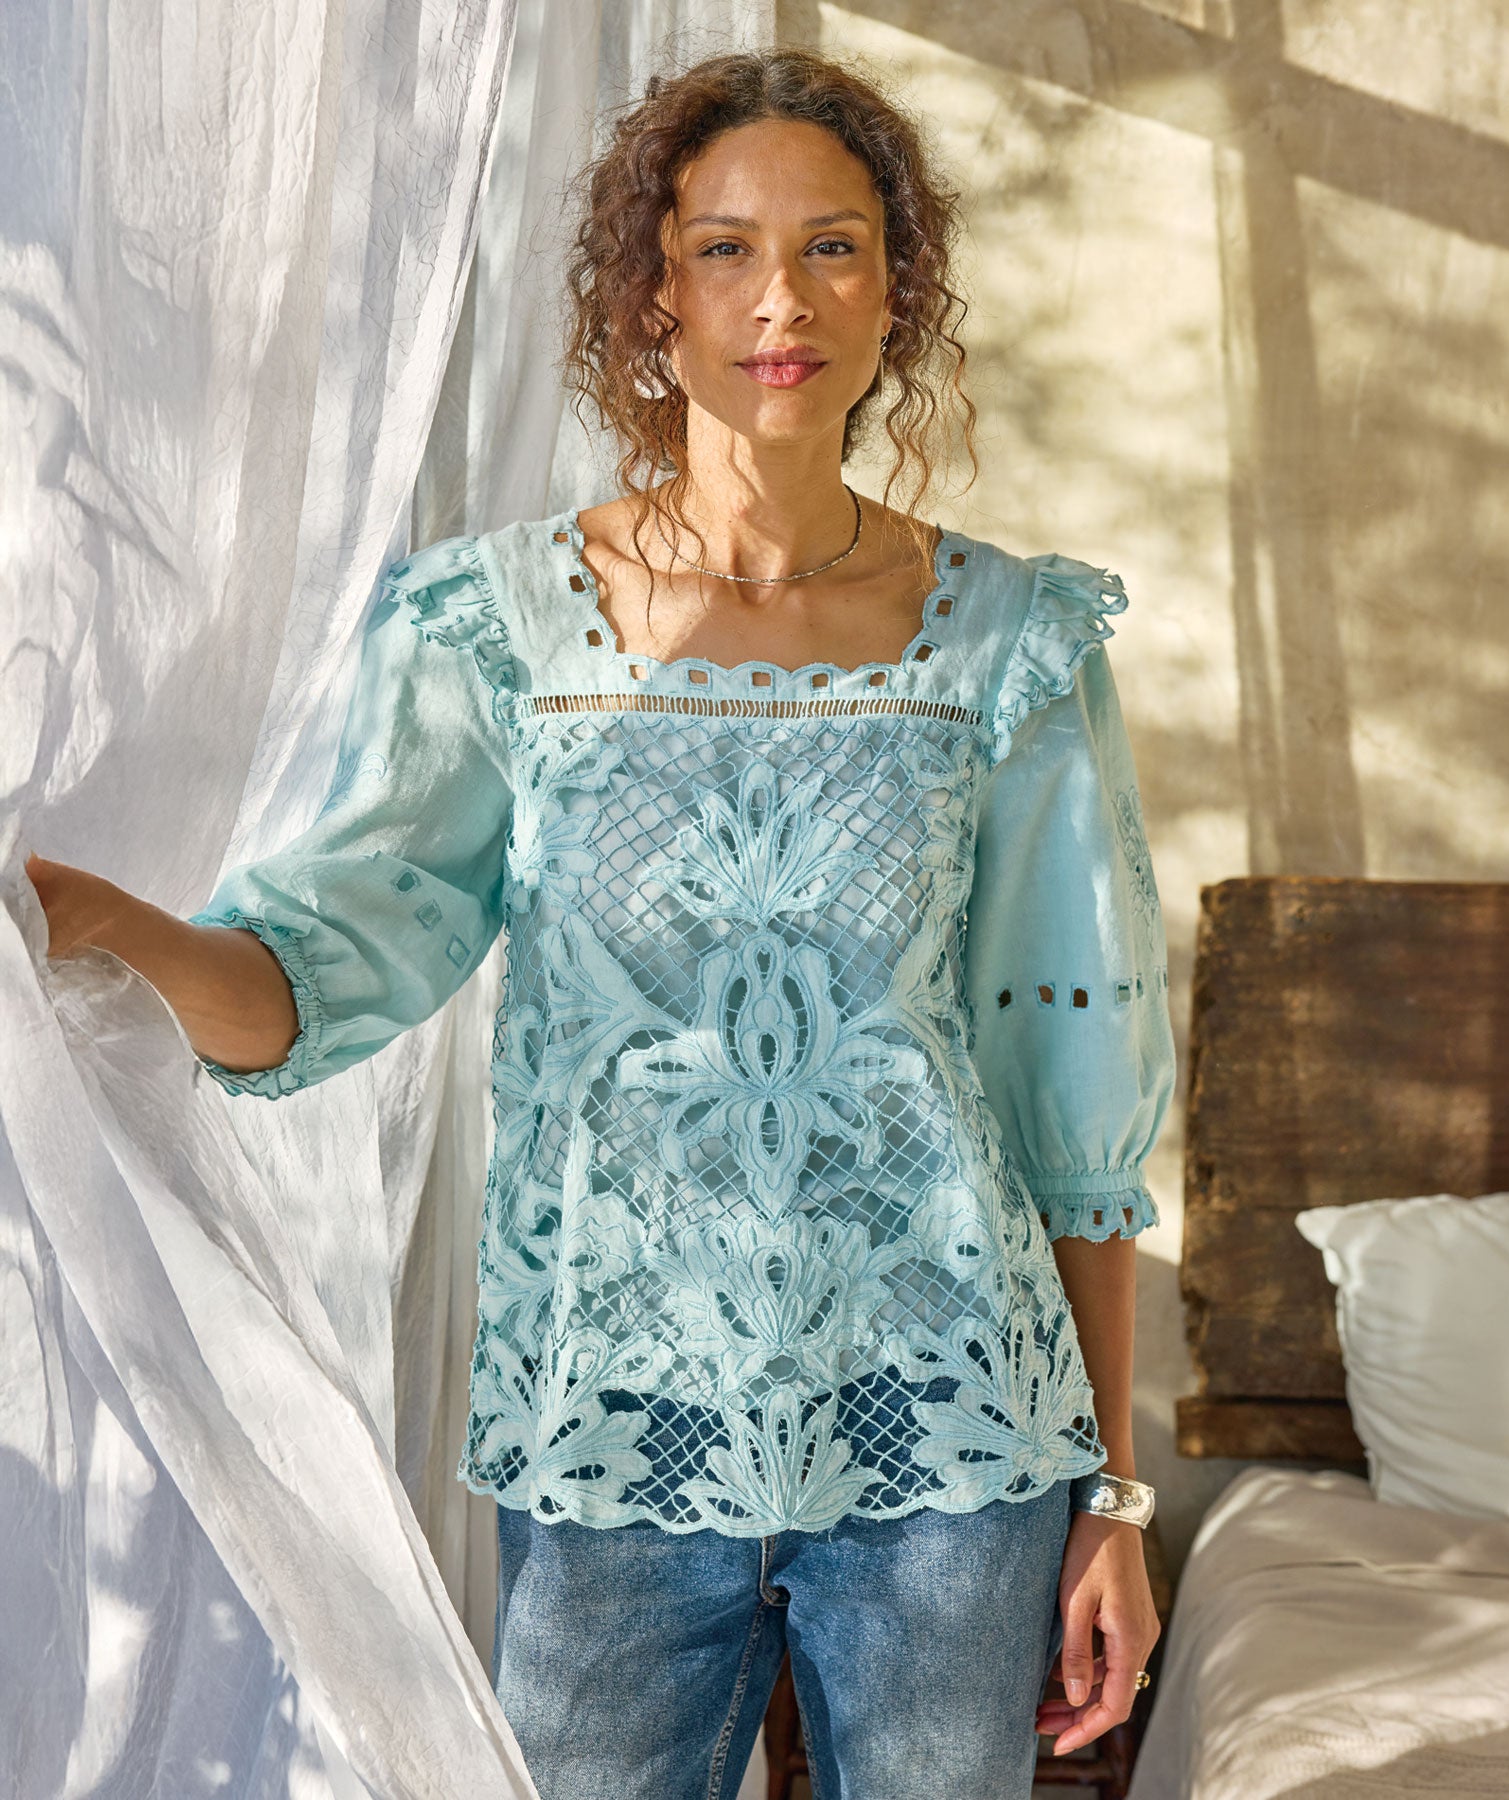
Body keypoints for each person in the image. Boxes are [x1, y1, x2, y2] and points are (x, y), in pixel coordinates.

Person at [28, 45, 1175, 1800]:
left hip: (955, 1432)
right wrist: (110, 922)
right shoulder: (498, 628)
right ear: (654, 297)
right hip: (613, 1431)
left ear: (898, 292)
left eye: (835, 247)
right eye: (724, 250)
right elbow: (326, 968)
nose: (781, 299)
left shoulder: (1011, 640)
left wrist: (1113, 1501)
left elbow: (1069, 1099)